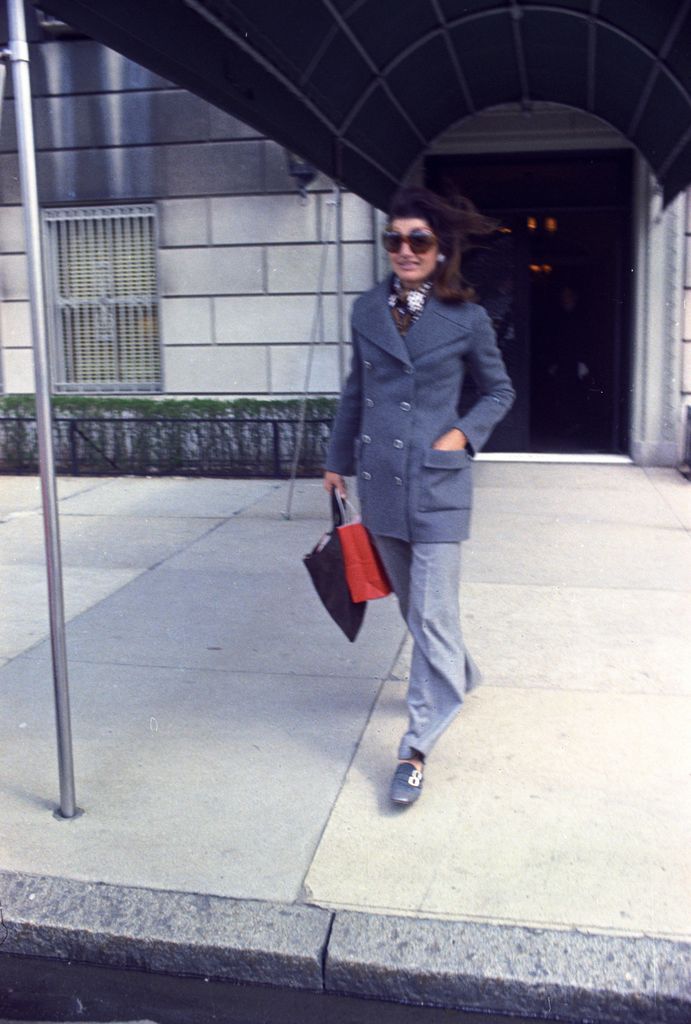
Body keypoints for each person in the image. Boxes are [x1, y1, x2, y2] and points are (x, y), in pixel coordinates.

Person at [323, 186, 515, 806]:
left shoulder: (468, 318)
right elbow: (356, 390)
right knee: (415, 609)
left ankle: (416, 747)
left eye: (418, 240)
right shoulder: (365, 311)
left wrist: (462, 435)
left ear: (441, 250)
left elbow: (498, 391)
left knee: (430, 612)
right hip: (382, 484)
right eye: (394, 239)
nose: (404, 250)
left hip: (437, 482)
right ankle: (460, 672)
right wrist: (335, 461)